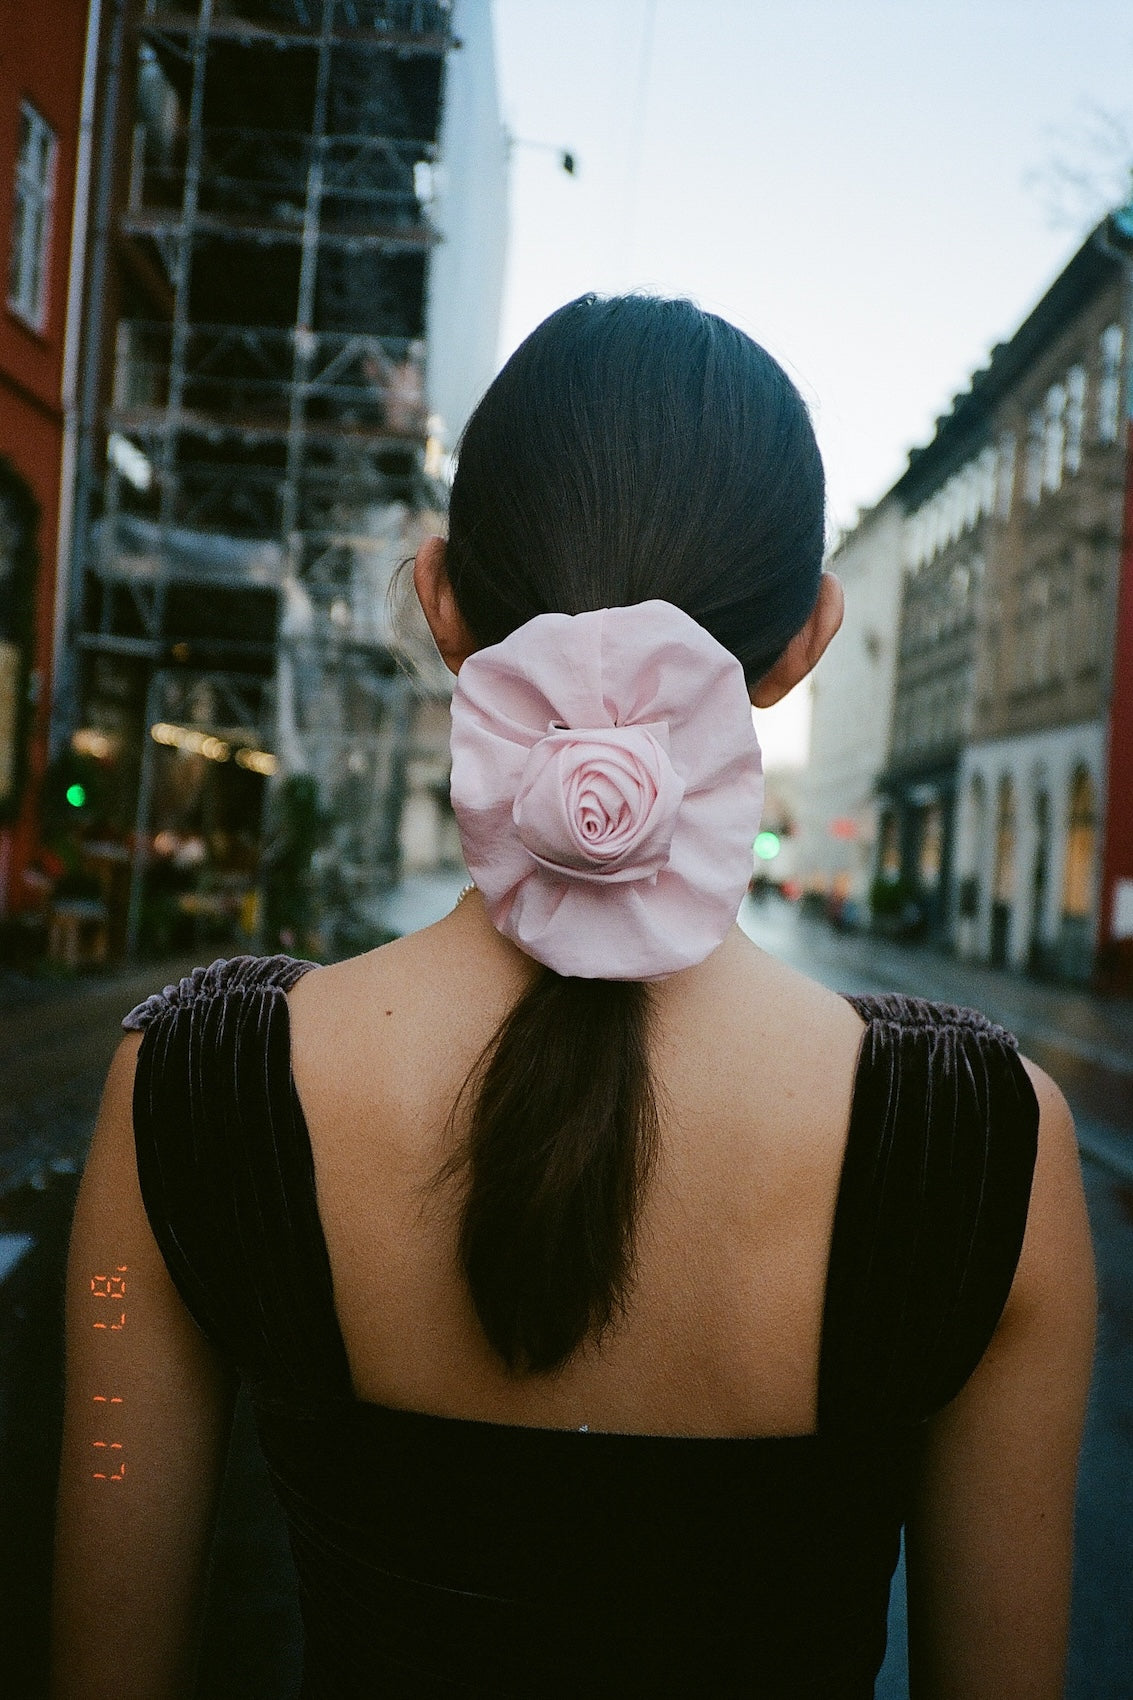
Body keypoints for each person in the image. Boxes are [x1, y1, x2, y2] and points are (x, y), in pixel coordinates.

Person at [50, 295, 1095, 1699]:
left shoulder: (186, 1083)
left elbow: (103, 1638)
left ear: (439, 606)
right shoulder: (984, 1143)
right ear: (802, 645)